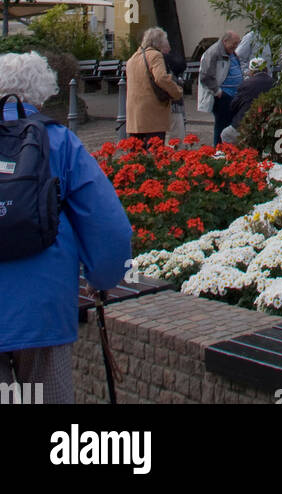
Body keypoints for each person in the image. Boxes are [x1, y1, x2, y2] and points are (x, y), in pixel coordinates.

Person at [0, 52, 131, 404]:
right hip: (42, 308)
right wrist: (102, 279)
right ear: (43, 94)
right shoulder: (58, 141)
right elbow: (109, 225)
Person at [124, 26, 183, 144]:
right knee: (155, 153)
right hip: (152, 114)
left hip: (134, 115)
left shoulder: (132, 59)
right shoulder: (155, 55)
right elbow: (161, 78)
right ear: (159, 42)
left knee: (136, 155)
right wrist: (177, 92)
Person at [199, 31, 243, 145]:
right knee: (222, 126)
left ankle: (229, 152)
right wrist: (217, 92)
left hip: (234, 95)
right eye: (234, 43)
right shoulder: (214, 53)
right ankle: (219, 152)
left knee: (230, 126)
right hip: (223, 96)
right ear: (225, 41)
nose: (236, 46)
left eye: (237, 44)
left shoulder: (231, 52)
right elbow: (205, 76)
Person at [220, 57, 274, 145]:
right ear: (266, 70)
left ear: (251, 72)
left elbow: (233, 106)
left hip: (245, 125)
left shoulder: (246, 84)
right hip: (268, 125)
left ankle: (233, 157)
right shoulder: (274, 83)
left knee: (225, 135)